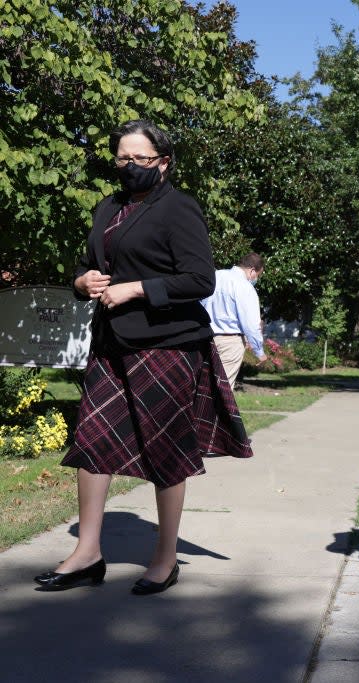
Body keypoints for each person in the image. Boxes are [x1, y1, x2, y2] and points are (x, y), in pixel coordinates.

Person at [33, 120, 253, 595]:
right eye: (122, 159)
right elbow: (87, 263)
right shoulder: (107, 207)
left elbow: (200, 280)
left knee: (165, 448)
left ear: (164, 163)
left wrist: (138, 289)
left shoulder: (179, 207)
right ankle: (87, 552)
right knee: (93, 441)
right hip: (111, 342)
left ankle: (165, 557)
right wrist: (81, 282)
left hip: (168, 344)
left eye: (141, 159)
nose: (130, 167)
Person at [201, 252, 268, 389]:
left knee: (204, 386)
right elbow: (251, 324)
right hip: (230, 342)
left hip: (205, 338)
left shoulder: (215, 276)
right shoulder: (245, 287)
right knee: (223, 389)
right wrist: (259, 352)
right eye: (258, 275)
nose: (256, 279)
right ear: (252, 270)